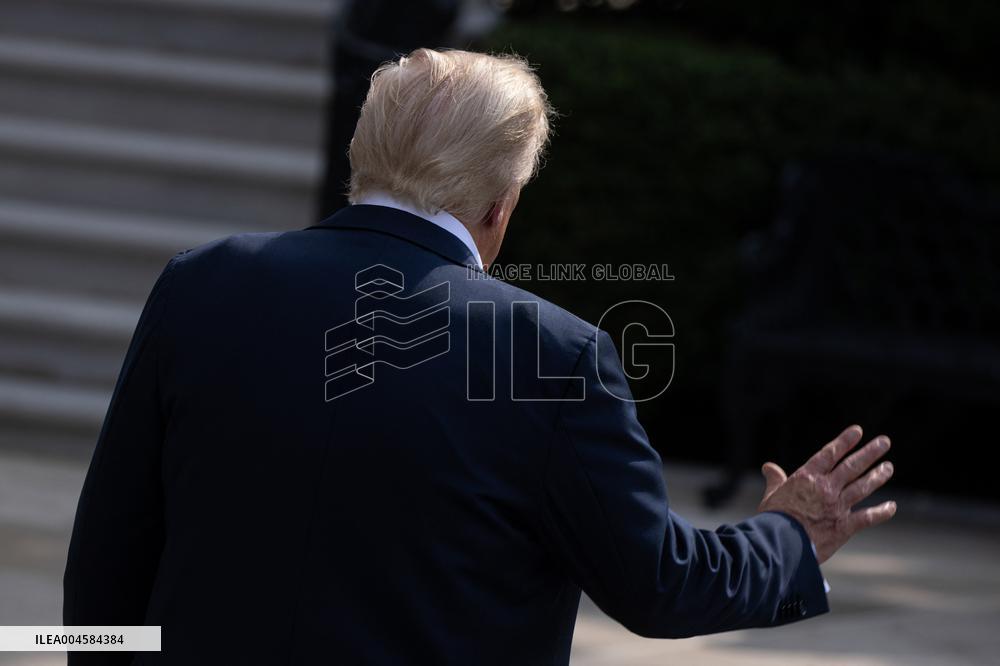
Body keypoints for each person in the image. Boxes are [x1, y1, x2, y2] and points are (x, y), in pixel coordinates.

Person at [64, 49, 896, 665]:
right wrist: (788, 537)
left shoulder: (201, 285)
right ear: (502, 204)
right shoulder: (556, 355)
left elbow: (107, 560)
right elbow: (658, 584)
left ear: (362, 158)